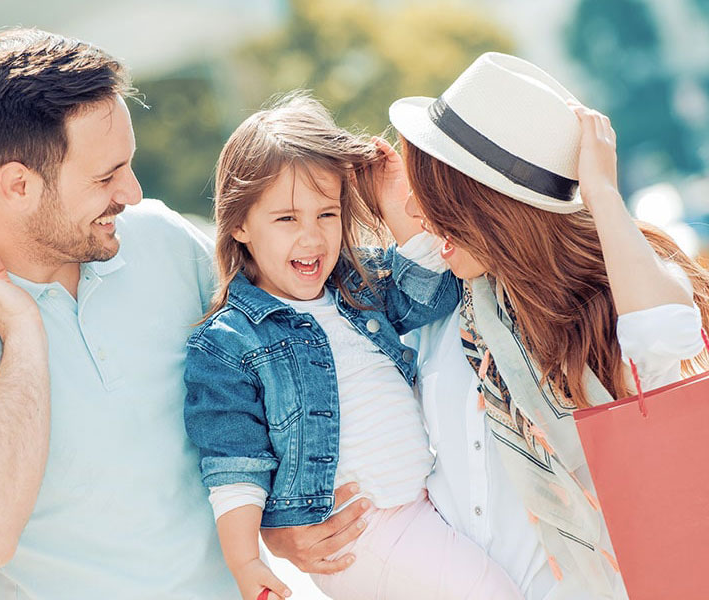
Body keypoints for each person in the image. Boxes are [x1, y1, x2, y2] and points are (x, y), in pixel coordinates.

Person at [0, 27, 245, 599]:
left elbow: (270, 372)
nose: (133, 193)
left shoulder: (160, 238)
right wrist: (23, 332)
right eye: (105, 176)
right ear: (17, 185)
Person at [387, 53, 709, 598]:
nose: (418, 210)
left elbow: (664, 341)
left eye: (439, 199)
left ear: (489, 210)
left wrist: (602, 194)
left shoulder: (614, 294)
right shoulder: (446, 313)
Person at [182, 93, 523, 600]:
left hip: (416, 506)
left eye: (326, 214)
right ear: (239, 224)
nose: (312, 237)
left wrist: (392, 195)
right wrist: (245, 560)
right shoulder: (231, 341)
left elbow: (432, 289)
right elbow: (235, 463)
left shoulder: (355, 288)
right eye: (286, 219)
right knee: (492, 593)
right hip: (360, 531)